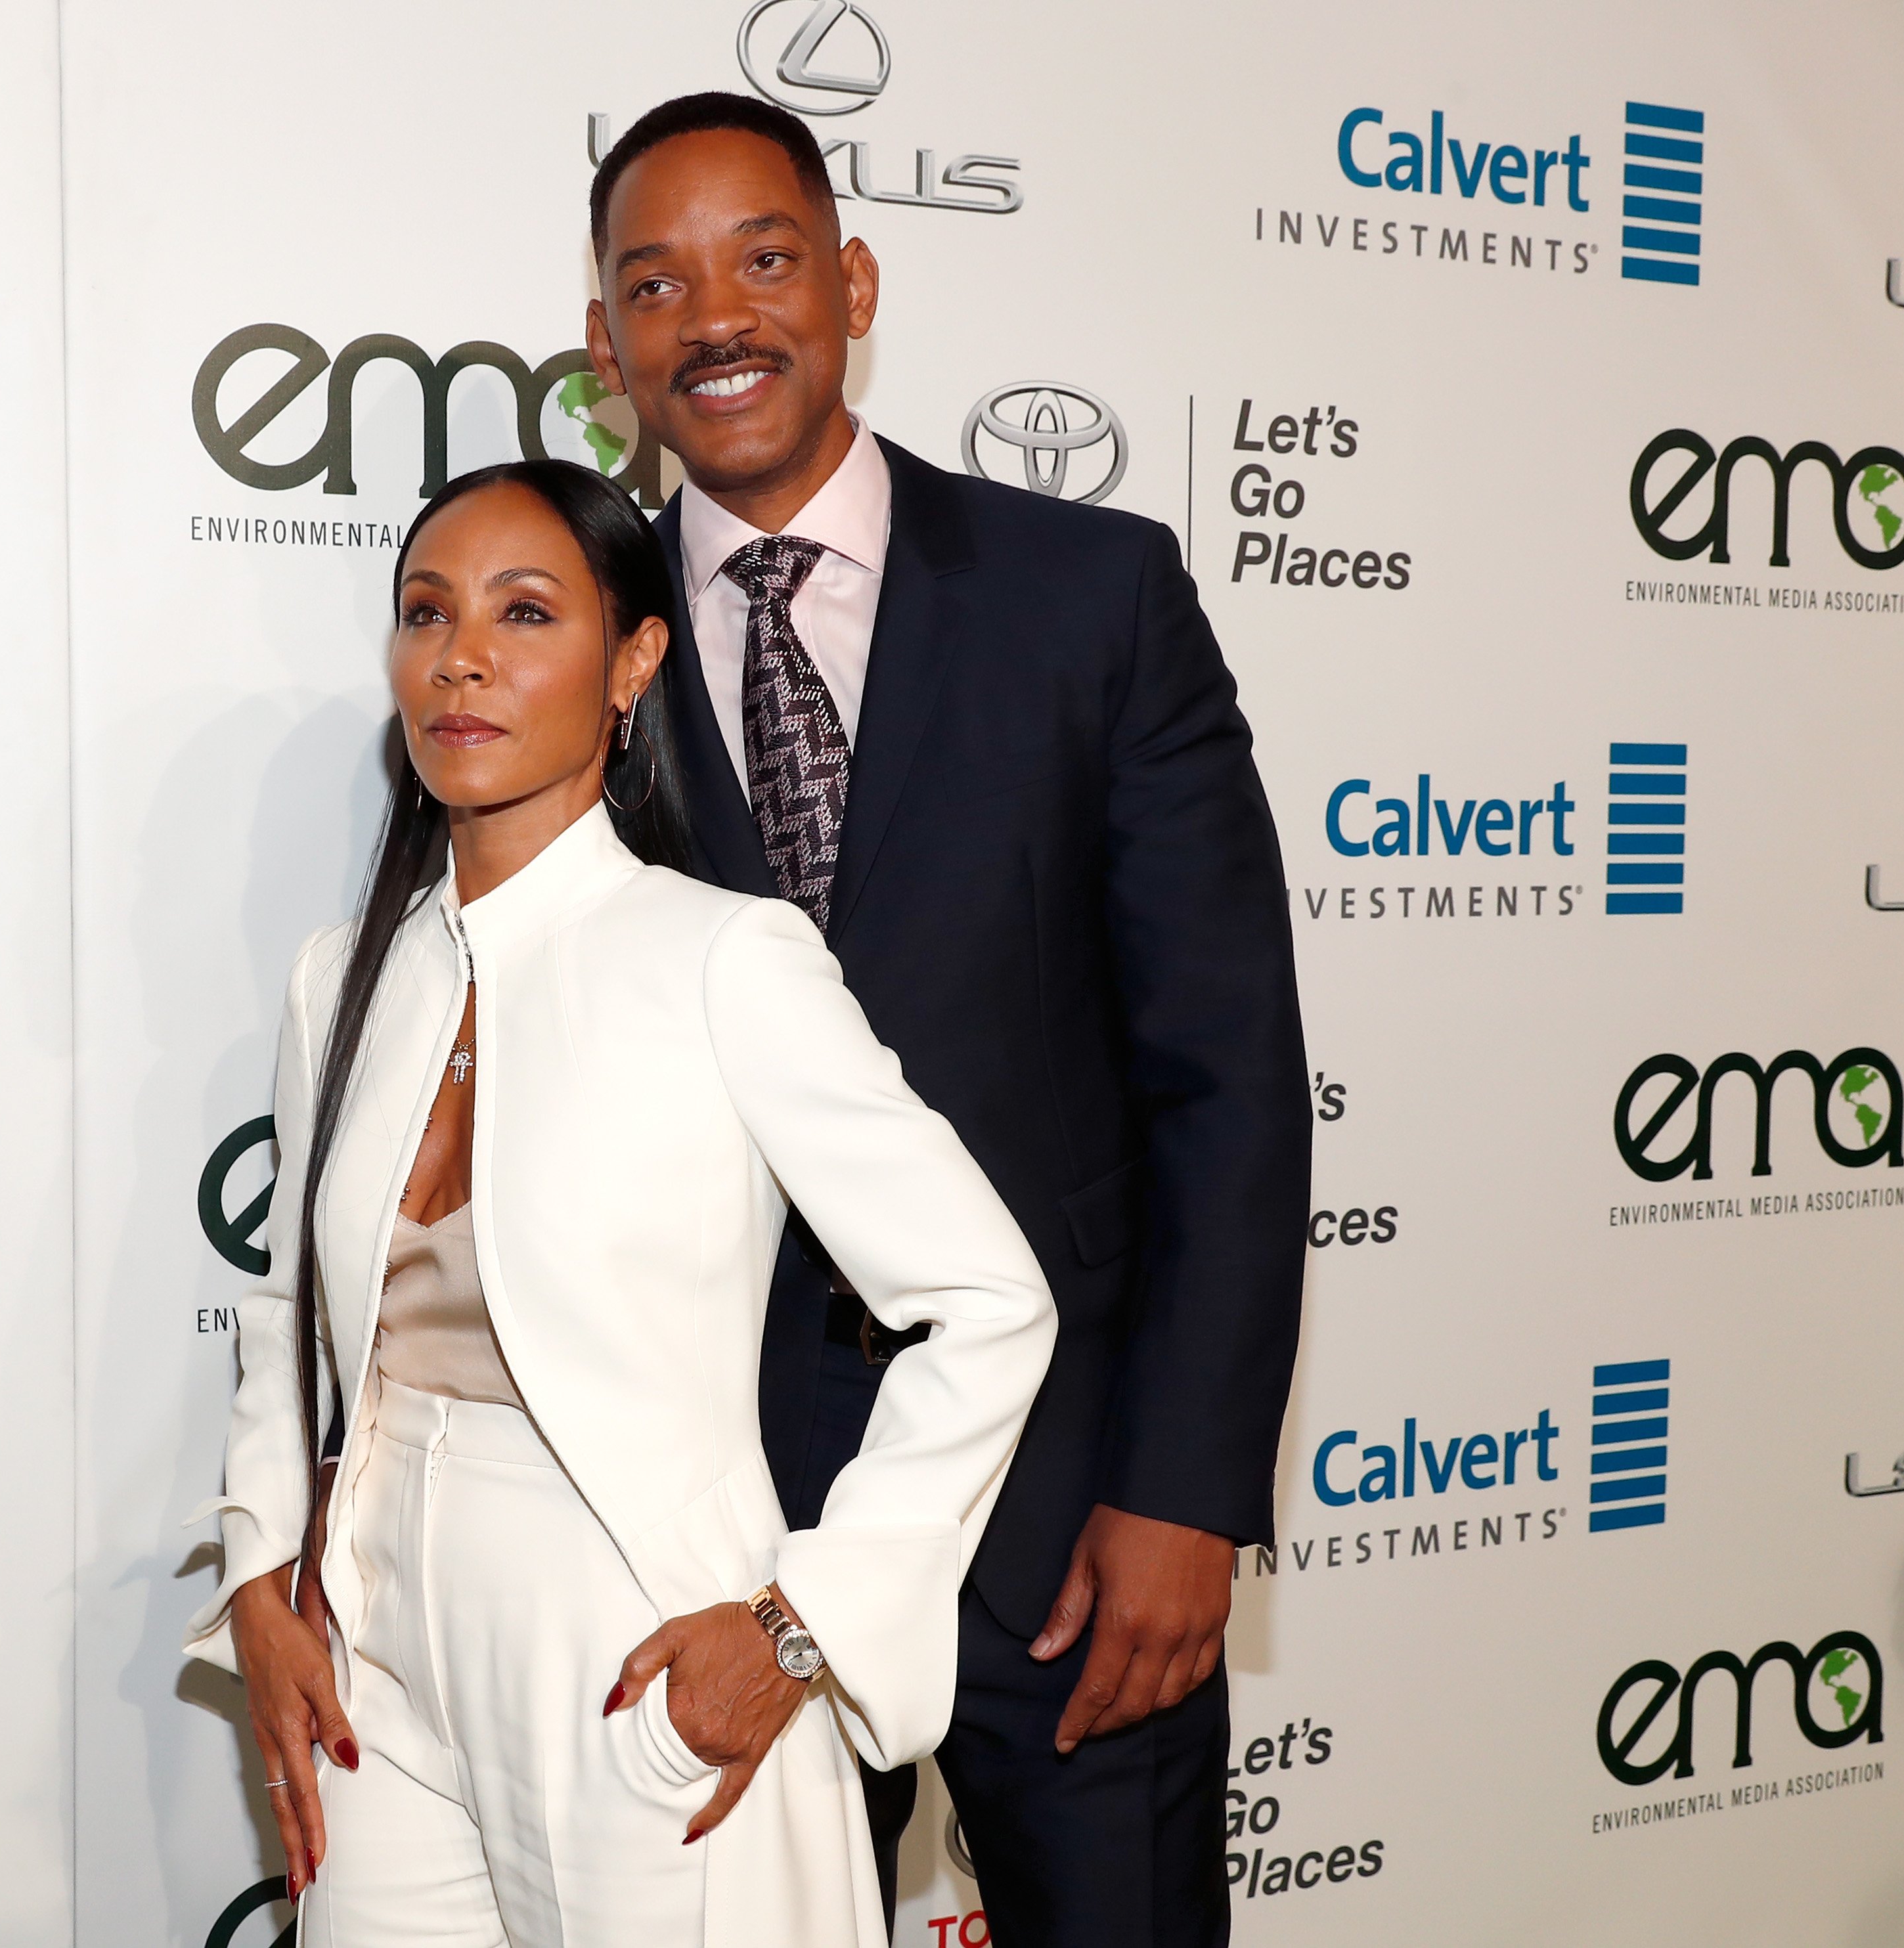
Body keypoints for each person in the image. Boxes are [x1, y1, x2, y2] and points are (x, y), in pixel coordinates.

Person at [579, 93, 1312, 1947]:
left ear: (855, 279)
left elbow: (1225, 1077)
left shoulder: (1094, 596)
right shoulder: (564, 644)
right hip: (709, 1527)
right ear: (606, 347)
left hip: (1065, 1520)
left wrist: (1181, 1491)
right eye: (655, 283)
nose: (716, 317)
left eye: (764, 258)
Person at [185, 458, 1056, 1948]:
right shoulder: (341, 975)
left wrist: (803, 1628)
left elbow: (990, 1302)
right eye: (424, 611)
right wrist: (266, 1570)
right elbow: (286, 1316)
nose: (458, 655)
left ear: (632, 662)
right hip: (374, 1634)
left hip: (633, 1645)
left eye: (524, 613)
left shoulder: (722, 957)